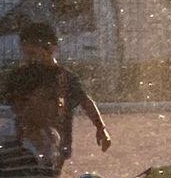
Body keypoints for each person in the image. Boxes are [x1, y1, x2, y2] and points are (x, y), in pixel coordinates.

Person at [18, 21, 112, 160]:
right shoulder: (24, 77)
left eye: (32, 53)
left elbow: (86, 102)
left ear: (51, 48)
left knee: (47, 175)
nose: (28, 59)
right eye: (25, 54)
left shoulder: (64, 78)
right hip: (29, 142)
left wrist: (101, 128)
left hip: (58, 143)